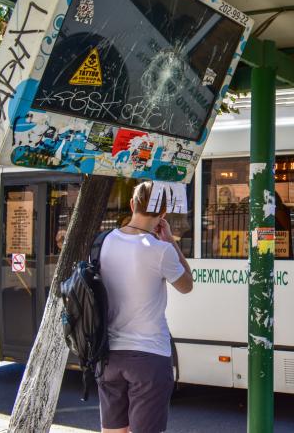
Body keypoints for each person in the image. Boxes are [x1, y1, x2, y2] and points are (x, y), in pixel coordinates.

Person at [97, 181, 194, 433]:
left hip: (108, 355)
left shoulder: (102, 242)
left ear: (132, 204)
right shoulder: (161, 250)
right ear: (163, 213)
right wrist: (170, 241)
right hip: (150, 357)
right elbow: (186, 285)